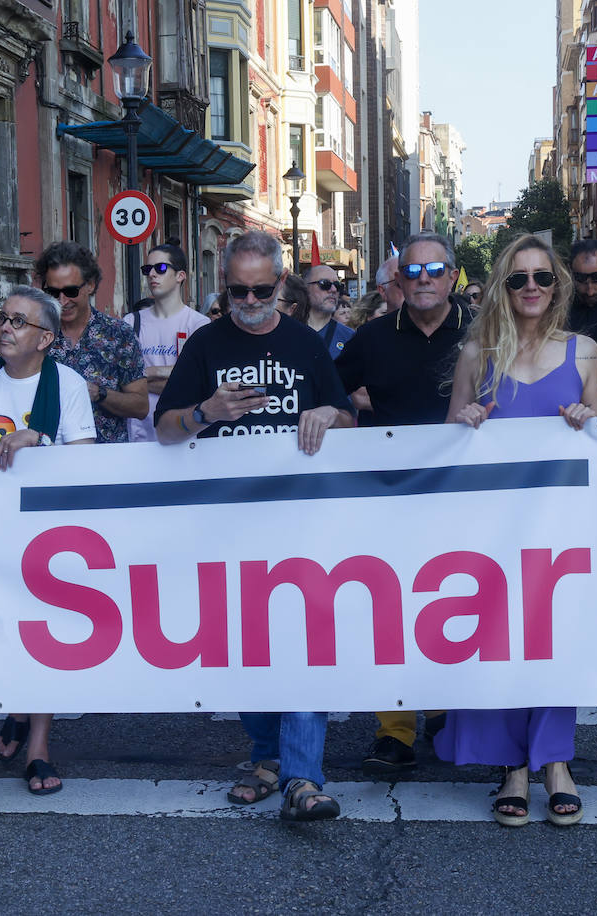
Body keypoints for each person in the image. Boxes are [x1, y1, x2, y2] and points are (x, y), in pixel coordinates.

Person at [155, 229, 355, 822]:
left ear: (280, 284)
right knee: (245, 648)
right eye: (236, 290)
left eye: (260, 289)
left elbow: (346, 414)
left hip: (302, 524)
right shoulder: (205, 345)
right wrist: (204, 412)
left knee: (304, 643)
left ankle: (302, 776)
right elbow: (166, 428)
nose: (247, 300)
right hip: (229, 527)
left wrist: (327, 413)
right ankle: (267, 758)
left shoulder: (304, 343)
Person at [439, 232, 597, 828]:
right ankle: (512, 765)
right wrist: (468, 419)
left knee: (554, 637)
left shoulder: (585, 351)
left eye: (541, 277)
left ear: (555, 285)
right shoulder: (476, 352)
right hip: (494, 528)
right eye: (518, 279)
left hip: (561, 527)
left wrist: (590, 418)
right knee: (503, 638)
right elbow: (451, 436)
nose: (530, 287)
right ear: (503, 289)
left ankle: (556, 761)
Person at [0, 287, 96, 794]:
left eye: (17, 322)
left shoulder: (67, 384)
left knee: (42, 633)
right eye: (2, 319)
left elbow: (87, 460)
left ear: (45, 338)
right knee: (1, 629)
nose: (3, 328)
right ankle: (13, 706)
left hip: (43, 534)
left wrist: (41, 439)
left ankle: (38, 747)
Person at [336, 231, 475, 770]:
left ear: (452, 276)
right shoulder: (370, 338)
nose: (423, 281)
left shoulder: (483, 332)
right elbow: (328, 389)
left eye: (434, 270)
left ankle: (444, 712)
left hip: (461, 494)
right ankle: (393, 729)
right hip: (387, 493)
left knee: (450, 602)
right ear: (397, 281)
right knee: (389, 608)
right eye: (411, 272)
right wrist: (337, 413)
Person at [37, 241, 149, 443]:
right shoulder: (36, 333)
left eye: (71, 291)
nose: (62, 301)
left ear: (90, 285)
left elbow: (140, 406)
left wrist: (99, 394)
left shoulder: (118, 333)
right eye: (53, 293)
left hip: (106, 462)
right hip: (48, 459)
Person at [125, 243, 209, 443]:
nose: (152, 274)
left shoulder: (198, 324)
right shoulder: (130, 322)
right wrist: (173, 380)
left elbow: (194, 383)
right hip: (139, 436)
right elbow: (123, 381)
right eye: (147, 269)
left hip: (184, 436)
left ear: (180, 275)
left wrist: (147, 373)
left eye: (160, 268)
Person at [302, 264, 355, 360]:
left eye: (337, 285)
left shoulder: (350, 338)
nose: (333, 290)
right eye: (324, 284)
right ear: (305, 288)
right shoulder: (287, 331)